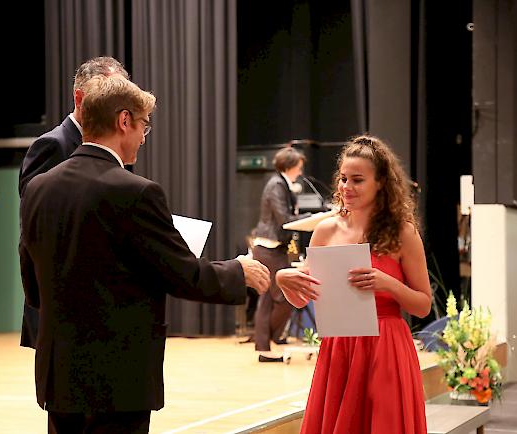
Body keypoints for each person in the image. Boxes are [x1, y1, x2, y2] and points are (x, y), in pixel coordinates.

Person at [19, 74, 270, 434]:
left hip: (59, 374)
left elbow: (32, 282)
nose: (142, 137)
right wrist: (238, 271)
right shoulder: (137, 192)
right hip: (118, 374)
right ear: (124, 121)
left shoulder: (39, 188)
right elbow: (182, 274)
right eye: (143, 126)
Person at [276, 135, 431, 433]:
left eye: (357, 180)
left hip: (386, 346)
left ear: (381, 182)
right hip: (339, 348)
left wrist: (389, 284)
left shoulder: (403, 233)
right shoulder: (325, 231)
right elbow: (302, 299)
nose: (347, 187)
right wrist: (284, 280)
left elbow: (423, 305)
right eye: (344, 179)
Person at [18, 56, 129, 349]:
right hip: (61, 298)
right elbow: (34, 225)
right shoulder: (53, 145)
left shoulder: (114, 146)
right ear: (79, 98)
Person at [250, 146, 311, 362]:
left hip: (272, 248)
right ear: (291, 165)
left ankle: (264, 347)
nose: (301, 171)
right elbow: (284, 220)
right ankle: (270, 339)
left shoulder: (282, 184)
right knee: (284, 295)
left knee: (267, 299)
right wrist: (313, 219)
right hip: (268, 248)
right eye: (299, 167)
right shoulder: (277, 184)